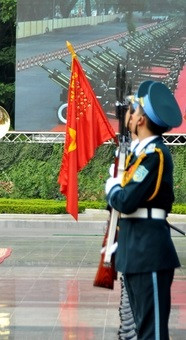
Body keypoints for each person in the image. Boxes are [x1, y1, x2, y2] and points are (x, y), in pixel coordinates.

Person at [105, 80, 182, 339]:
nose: (129, 113)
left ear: (140, 120)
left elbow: (125, 200)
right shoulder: (139, 155)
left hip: (148, 249)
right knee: (139, 328)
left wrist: (113, 186)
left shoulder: (155, 155)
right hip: (134, 247)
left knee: (152, 333)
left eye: (133, 110)